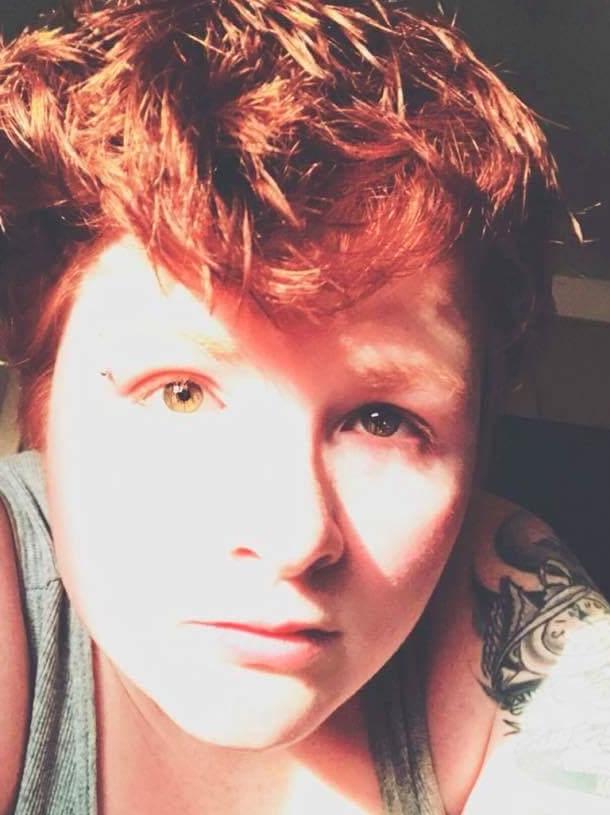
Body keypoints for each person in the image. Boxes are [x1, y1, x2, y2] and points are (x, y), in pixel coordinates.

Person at [0, 2, 608, 813]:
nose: (292, 539)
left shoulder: (504, 593)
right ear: (41, 406)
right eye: (181, 393)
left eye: (382, 420)